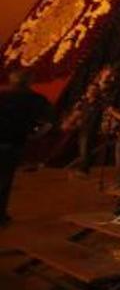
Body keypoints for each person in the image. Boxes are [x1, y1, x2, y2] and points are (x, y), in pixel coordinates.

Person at [0, 71, 55, 227]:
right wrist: (35, 136)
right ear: (30, 81)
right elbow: (48, 123)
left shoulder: (2, 96)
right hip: (12, 144)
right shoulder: (36, 100)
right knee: (5, 180)